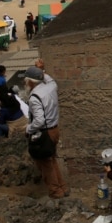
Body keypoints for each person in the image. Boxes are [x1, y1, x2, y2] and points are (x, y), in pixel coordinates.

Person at [25, 64, 69, 198]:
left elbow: (39, 121)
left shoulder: (34, 98)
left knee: (45, 164)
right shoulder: (51, 86)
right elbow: (48, 79)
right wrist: (41, 70)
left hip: (44, 133)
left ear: (31, 82)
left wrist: (28, 128)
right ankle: (63, 187)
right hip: (55, 130)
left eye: (26, 80)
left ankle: (55, 192)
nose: (25, 83)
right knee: (52, 160)